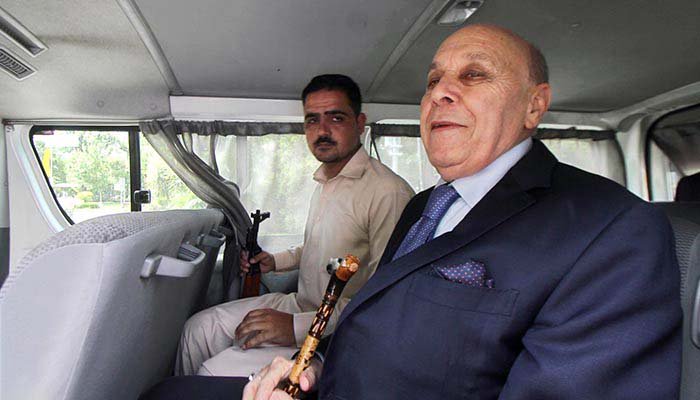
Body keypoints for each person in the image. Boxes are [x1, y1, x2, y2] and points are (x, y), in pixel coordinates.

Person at [141, 24, 681, 400]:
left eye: (474, 75)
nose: (440, 92)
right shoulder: (427, 206)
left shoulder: (612, 230)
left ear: (534, 105)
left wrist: (303, 335)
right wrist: (311, 369)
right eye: (433, 81)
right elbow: (375, 307)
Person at [175, 74, 414, 377]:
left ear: (359, 123)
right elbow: (321, 248)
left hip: (335, 332)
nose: (322, 131)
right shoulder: (325, 182)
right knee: (197, 329)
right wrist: (274, 262)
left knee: (211, 372)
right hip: (300, 305)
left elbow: (387, 299)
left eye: (336, 118)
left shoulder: (388, 193)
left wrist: (294, 327)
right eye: (312, 120)